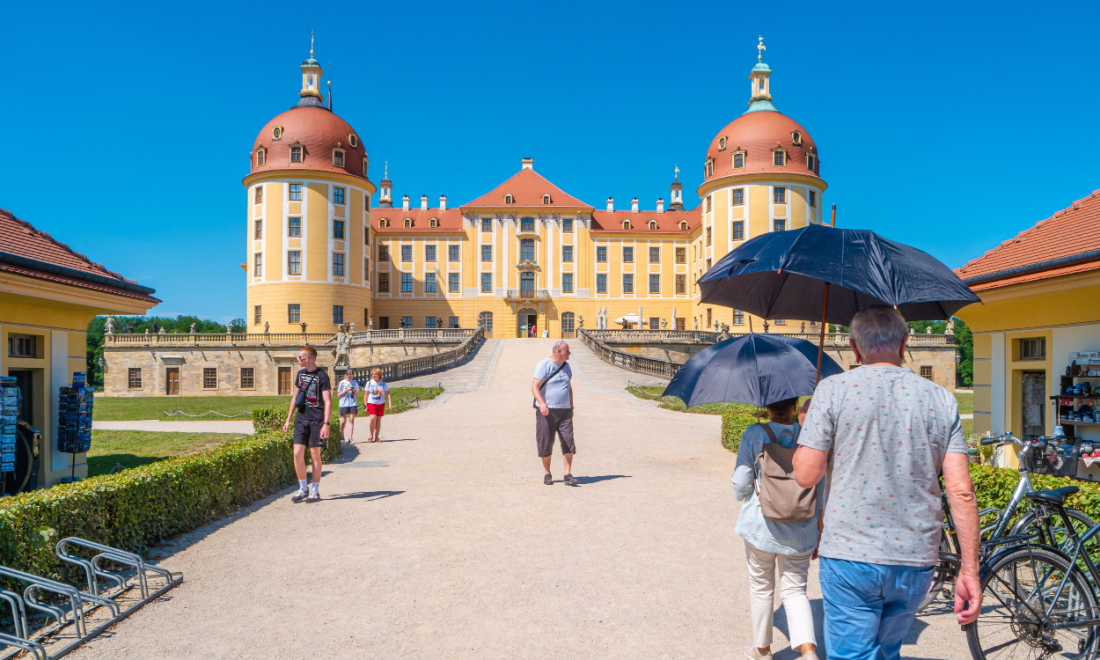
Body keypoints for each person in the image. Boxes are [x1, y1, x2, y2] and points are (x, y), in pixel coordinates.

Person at [792, 306, 981, 660]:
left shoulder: (832, 390)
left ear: (854, 347)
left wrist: (808, 426)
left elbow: (805, 475)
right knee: (886, 651)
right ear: (905, 342)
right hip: (915, 556)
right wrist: (970, 570)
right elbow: (962, 491)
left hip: (850, 553)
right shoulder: (941, 398)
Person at [732, 398, 824, 660]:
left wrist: (744, 494)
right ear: (795, 406)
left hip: (760, 526)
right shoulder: (810, 436)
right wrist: (819, 527)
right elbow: (821, 485)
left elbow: (741, 482)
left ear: (766, 406)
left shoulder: (755, 433)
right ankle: (808, 652)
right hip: (802, 528)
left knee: (761, 586)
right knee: (795, 590)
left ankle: (762, 650)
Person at [282, 346, 332, 503]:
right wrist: (288, 419)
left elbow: (328, 401)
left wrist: (326, 423)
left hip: (317, 420)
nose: (298, 360)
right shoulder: (300, 374)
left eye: (301, 358)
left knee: (314, 454)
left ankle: (315, 491)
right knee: (297, 454)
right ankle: (303, 488)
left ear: (309, 358)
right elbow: (295, 397)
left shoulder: (322, 376)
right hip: (301, 418)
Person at [532, 340, 577, 486]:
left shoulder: (566, 366)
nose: (569, 353)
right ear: (559, 351)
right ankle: (547, 473)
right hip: (547, 411)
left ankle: (567, 474)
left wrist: (571, 407)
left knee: (568, 440)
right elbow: (534, 386)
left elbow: (569, 387)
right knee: (545, 441)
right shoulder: (544, 365)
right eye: (567, 351)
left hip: (565, 411)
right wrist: (542, 403)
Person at [365, 368, 393, 443]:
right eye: (373, 374)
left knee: (378, 419)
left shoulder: (383, 383)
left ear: (379, 375)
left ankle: (377, 437)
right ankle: (371, 434)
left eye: (375, 374)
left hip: (381, 403)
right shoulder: (369, 383)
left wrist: (390, 404)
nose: (374, 375)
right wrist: (365, 405)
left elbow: (388, 394)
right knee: (372, 418)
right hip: (371, 402)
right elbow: (365, 395)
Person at [337, 371, 360, 444]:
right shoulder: (342, 383)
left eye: (351, 376)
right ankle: (341, 433)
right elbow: (339, 395)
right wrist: (346, 390)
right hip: (344, 403)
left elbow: (356, 395)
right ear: (346, 375)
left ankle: (350, 437)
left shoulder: (355, 383)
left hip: (353, 403)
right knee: (343, 421)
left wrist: (354, 390)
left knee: (351, 419)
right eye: (349, 376)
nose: (350, 377)